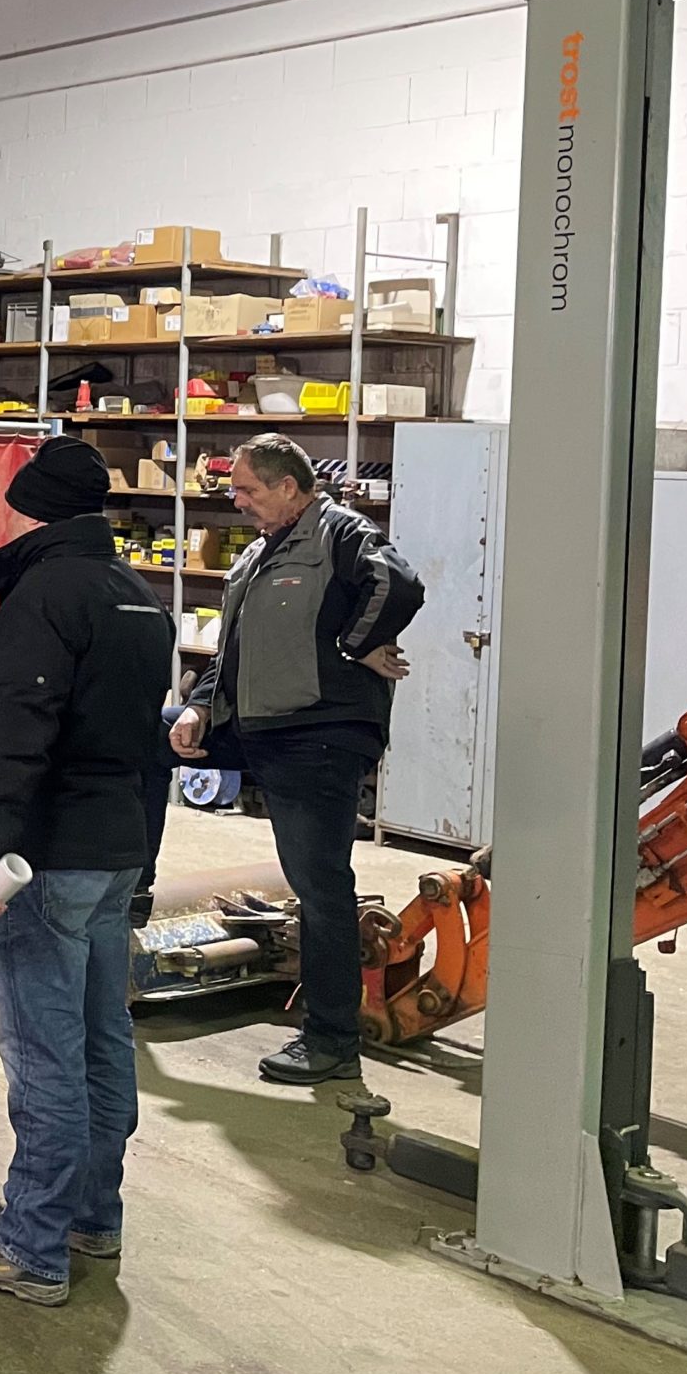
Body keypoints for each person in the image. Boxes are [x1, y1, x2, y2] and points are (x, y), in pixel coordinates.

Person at [0, 435, 175, 1308]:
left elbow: (10, 733)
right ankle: (90, 1217)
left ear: (32, 510)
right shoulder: (140, 597)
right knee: (104, 1040)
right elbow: (152, 749)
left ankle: (29, 1245)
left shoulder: (45, 597)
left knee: (44, 1054)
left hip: (45, 856)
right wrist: (144, 854)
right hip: (114, 849)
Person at [172, 432, 424, 1086]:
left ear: (289, 486)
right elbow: (233, 650)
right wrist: (199, 707)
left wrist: (355, 643)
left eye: (248, 489)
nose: (237, 500)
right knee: (138, 744)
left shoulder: (339, 532)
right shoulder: (259, 553)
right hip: (264, 729)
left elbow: (398, 585)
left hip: (320, 735)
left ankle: (333, 1040)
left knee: (320, 887)